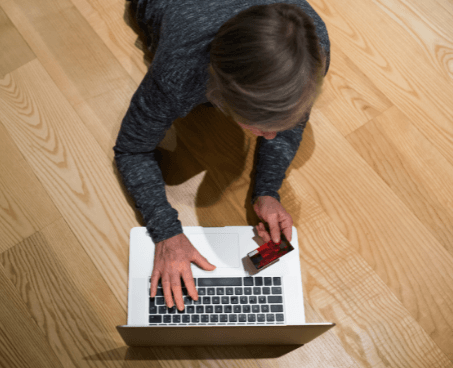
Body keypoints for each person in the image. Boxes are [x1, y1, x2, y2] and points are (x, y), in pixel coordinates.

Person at [114, 0, 330, 312]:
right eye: (258, 128)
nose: (271, 137)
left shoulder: (313, 45)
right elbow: (132, 149)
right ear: (219, 95)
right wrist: (167, 234)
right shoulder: (179, 73)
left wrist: (268, 190)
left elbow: (288, 123)